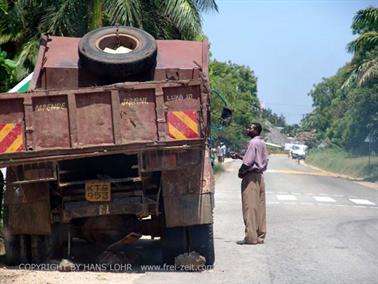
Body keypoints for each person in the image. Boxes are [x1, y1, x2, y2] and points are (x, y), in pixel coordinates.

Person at [231, 122, 268, 245]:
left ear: (256, 131)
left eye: (250, 128)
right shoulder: (261, 142)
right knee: (260, 207)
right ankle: (260, 236)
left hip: (251, 177)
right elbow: (258, 160)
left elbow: (248, 163)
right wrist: (240, 157)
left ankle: (251, 238)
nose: (247, 129)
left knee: (250, 207)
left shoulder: (253, 143)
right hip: (259, 176)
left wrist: (241, 172)